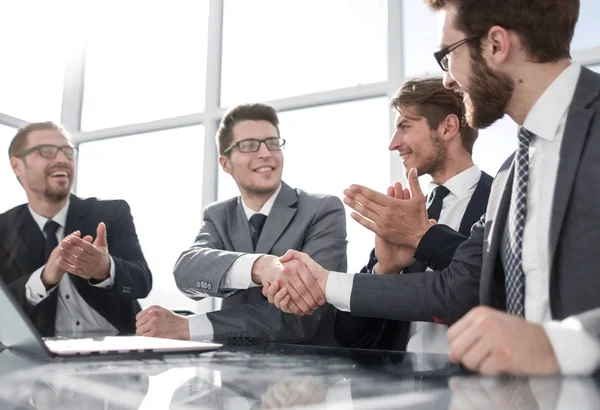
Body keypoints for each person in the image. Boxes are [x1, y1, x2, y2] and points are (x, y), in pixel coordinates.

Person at [265, 0, 600, 375]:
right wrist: (324, 282)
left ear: (495, 44)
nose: (448, 79)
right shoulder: (513, 173)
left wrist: (561, 344)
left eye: (447, 55)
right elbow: (457, 287)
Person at [136, 103, 347, 345]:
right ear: (225, 163)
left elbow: (303, 315)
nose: (265, 153)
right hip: (231, 375)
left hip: (311, 373)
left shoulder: (322, 209)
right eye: (249, 146)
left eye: (273, 143)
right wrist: (258, 266)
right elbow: (186, 271)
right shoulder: (218, 215)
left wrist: (188, 327)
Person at [336, 77, 492, 354]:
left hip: (475, 389)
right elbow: (347, 336)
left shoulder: (501, 201)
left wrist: (421, 238)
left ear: (448, 127)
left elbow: (497, 287)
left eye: (404, 127)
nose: (393, 144)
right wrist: (384, 270)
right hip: (398, 387)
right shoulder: (402, 212)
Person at [0, 122, 152, 337]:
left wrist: (105, 269)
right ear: (17, 166)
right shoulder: (3, 229)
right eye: (47, 151)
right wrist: (43, 279)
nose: (62, 160)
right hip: (40, 359)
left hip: (119, 354)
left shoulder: (111, 213)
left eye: (67, 151)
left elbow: (142, 282)